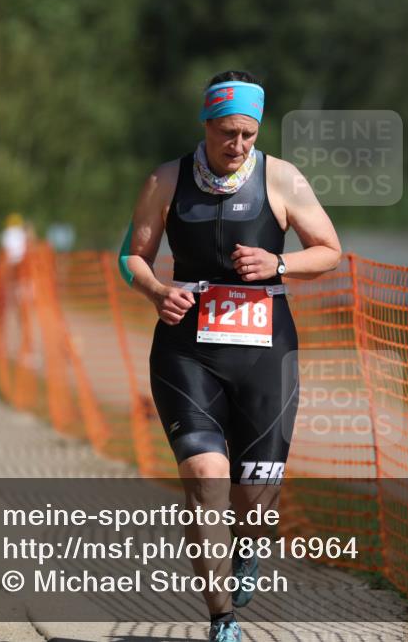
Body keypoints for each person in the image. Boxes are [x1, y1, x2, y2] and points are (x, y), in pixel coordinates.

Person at [118, 70, 341, 641]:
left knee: (253, 501)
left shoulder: (283, 179)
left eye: (247, 133)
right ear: (206, 124)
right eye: (225, 132)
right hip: (187, 351)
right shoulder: (165, 180)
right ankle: (222, 618)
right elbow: (132, 257)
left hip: (266, 354)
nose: (236, 145)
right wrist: (156, 291)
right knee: (204, 474)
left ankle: (249, 551)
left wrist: (279, 265)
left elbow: (331, 251)